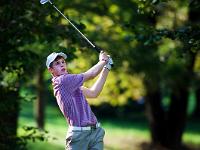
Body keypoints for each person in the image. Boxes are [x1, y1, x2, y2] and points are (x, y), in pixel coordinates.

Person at [46, 51, 113, 150]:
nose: (62, 65)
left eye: (63, 62)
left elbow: (94, 93)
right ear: (51, 70)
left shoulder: (72, 84)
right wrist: (103, 61)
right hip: (79, 135)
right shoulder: (62, 81)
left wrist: (107, 67)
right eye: (57, 63)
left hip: (95, 132)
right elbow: (91, 74)